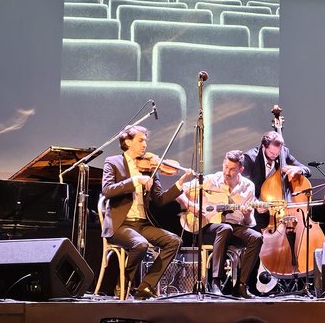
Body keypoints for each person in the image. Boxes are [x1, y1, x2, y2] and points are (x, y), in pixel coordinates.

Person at [101, 125, 194, 299]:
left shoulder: (151, 167)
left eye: (145, 141)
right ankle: (125, 281)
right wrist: (135, 180)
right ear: (128, 142)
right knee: (140, 244)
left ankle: (145, 286)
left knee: (174, 241)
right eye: (140, 140)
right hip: (120, 225)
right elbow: (107, 190)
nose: (145, 145)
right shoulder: (112, 162)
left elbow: (161, 200)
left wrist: (180, 182)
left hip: (142, 224)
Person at [177, 150, 263, 299]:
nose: (227, 172)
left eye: (232, 169)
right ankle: (216, 282)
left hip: (235, 227)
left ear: (241, 169)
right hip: (208, 227)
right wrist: (191, 205)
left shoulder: (248, 186)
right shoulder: (211, 180)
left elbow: (248, 224)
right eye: (225, 167)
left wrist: (247, 214)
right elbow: (178, 191)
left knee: (257, 237)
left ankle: (241, 286)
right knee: (225, 228)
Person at [242, 130, 311, 230]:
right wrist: (256, 203)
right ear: (263, 147)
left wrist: (299, 169)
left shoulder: (283, 152)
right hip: (259, 209)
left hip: (281, 207)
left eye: (277, 153)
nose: (275, 156)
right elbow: (242, 186)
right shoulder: (250, 158)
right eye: (272, 152)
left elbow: (307, 170)